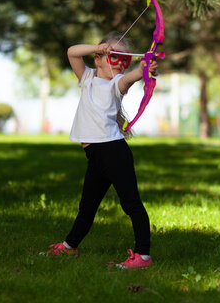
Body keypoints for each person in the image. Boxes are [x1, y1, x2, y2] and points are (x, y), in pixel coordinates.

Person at [46, 33, 157, 269]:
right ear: (98, 58)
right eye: (114, 56)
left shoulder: (115, 85)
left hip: (114, 153)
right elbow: (72, 52)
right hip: (96, 157)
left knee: (131, 204)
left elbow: (129, 79)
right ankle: (69, 246)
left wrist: (143, 70)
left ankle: (142, 256)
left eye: (124, 60)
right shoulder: (87, 77)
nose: (119, 63)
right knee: (87, 207)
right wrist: (98, 47)